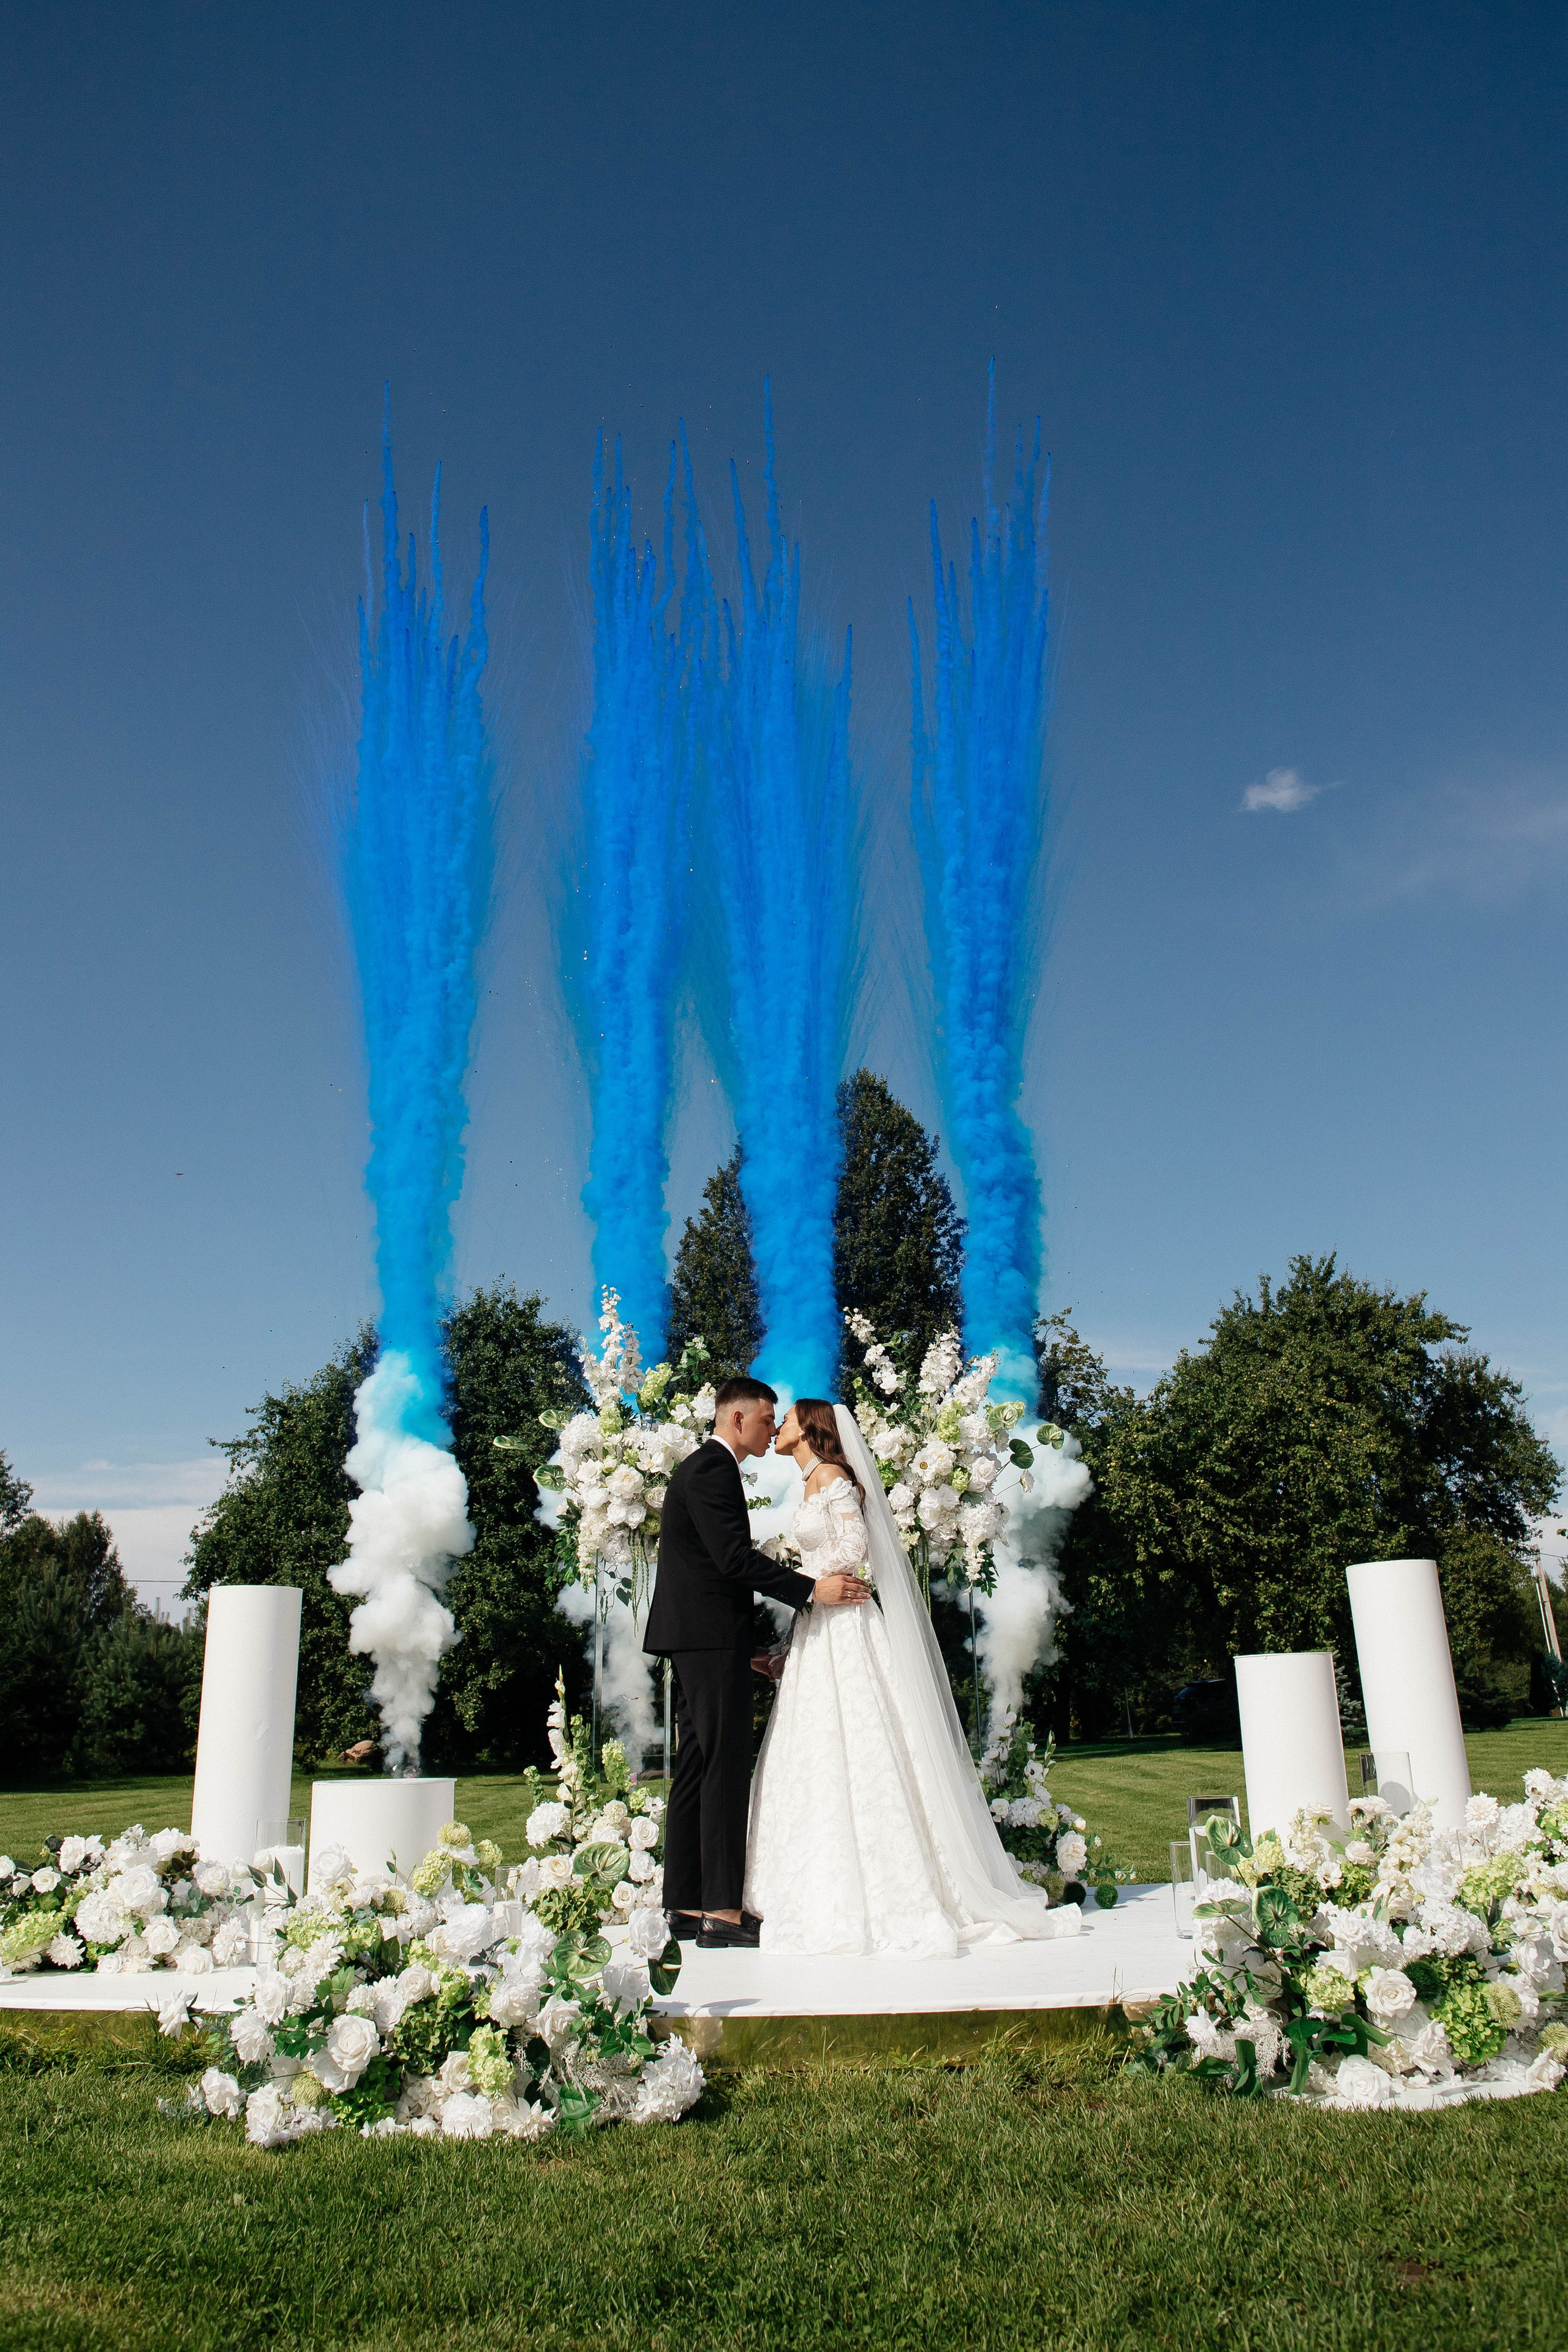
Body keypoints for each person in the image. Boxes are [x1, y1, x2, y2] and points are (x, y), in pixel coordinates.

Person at [744, 1396, 1082, 1956]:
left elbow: (853, 1548)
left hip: (847, 1623)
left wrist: (813, 1580)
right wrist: (793, 1626)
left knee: (862, 1740)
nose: (779, 1427)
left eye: (788, 1420)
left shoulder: (832, 1476)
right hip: (822, 1626)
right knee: (820, 1745)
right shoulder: (814, 1480)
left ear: (810, 1429)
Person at [643, 1374, 873, 1948]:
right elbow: (731, 1560)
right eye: (768, 1419)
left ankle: (686, 1905)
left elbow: (709, 1565)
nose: (773, 1430)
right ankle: (721, 1912)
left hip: (702, 1637)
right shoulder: (714, 1469)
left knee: (697, 1767)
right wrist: (808, 1590)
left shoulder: (703, 1468)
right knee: (722, 1769)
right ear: (738, 1419)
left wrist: (748, 1647)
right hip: (708, 1639)